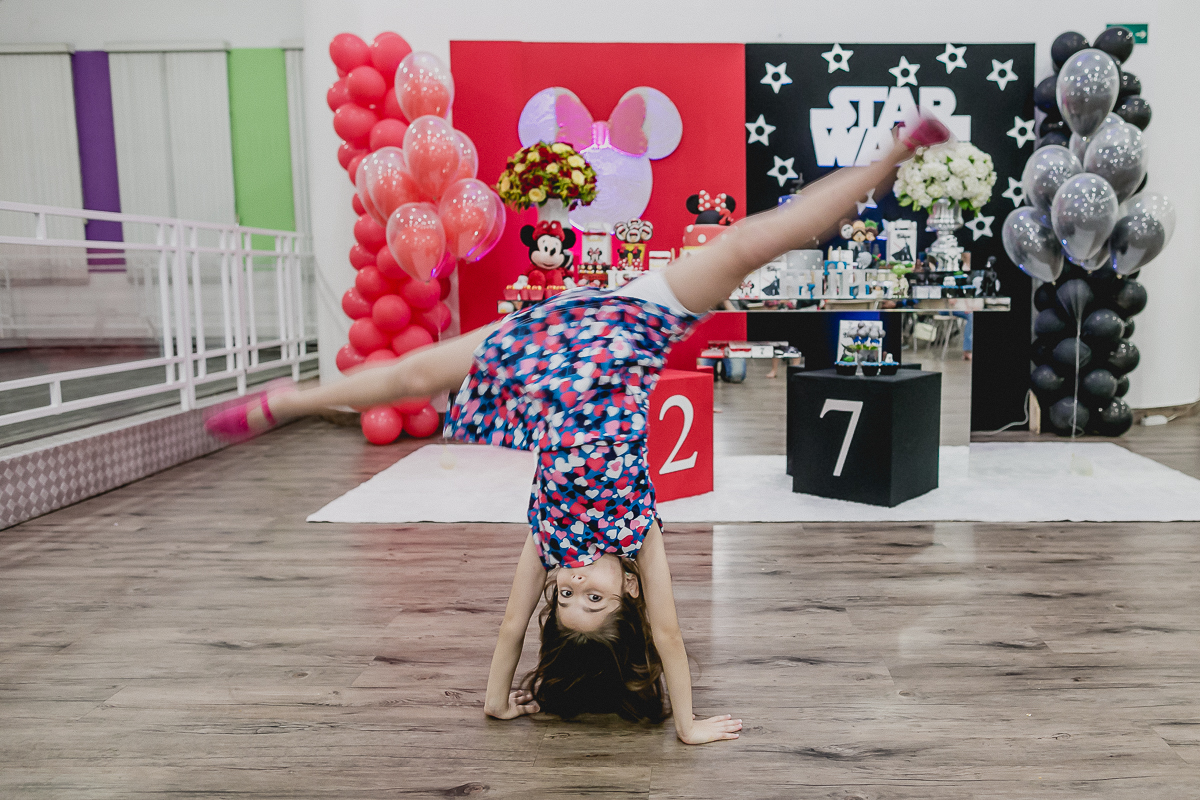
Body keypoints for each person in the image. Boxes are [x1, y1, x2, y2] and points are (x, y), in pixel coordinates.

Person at [205, 110, 950, 744]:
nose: (573, 589)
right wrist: (685, 723)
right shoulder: (639, 534)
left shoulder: (550, 537)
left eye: (564, 603)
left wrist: (497, 702)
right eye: (593, 599)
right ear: (625, 590)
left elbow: (505, 632)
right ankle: (891, 155)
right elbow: (668, 637)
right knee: (757, 241)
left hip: (545, 351)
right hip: (631, 331)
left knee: (416, 374)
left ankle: (290, 402)